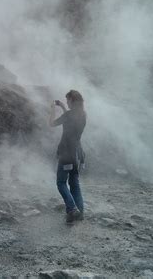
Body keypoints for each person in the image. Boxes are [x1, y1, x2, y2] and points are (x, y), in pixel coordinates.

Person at [49, 90, 86, 223]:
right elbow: (70, 119)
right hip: (77, 154)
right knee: (74, 184)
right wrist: (63, 108)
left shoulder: (70, 115)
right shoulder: (82, 115)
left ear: (72, 100)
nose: (67, 102)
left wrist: (53, 108)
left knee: (61, 183)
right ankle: (80, 212)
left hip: (66, 153)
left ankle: (72, 209)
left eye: (67, 100)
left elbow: (52, 123)